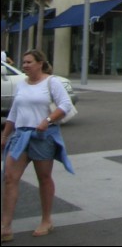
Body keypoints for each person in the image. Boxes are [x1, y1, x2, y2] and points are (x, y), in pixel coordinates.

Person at [1, 50, 74, 242]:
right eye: (23, 62)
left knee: (44, 178)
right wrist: (5, 134)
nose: (24, 65)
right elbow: (14, 112)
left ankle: (46, 219)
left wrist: (48, 120)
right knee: (10, 178)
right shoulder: (22, 84)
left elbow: (65, 105)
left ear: (40, 63)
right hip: (20, 136)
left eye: (29, 62)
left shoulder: (52, 82)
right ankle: (6, 226)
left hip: (43, 136)